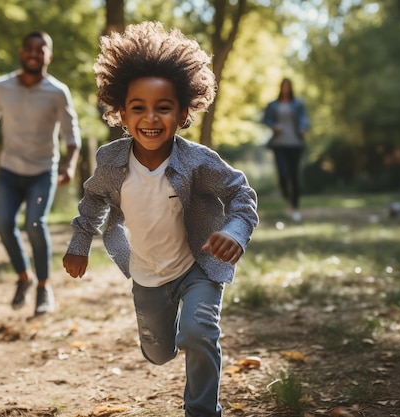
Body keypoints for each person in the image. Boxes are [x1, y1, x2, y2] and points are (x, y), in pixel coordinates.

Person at [62, 21, 258, 417]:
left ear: (183, 111)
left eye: (163, 107)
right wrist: (79, 243)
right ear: (120, 112)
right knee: (158, 353)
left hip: (197, 266)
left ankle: (202, 411)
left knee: (198, 332)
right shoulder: (111, 162)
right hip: (147, 273)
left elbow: (242, 194)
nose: (151, 118)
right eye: (138, 108)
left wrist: (234, 231)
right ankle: (161, 340)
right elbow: (94, 200)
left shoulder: (197, 161)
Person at [0, 31, 81, 315]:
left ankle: (44, 287)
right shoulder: (1, 87)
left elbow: (72, 134)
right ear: (22, 53)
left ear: (49, 56)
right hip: (9, 170)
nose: (34, 53)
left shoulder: (58, 92)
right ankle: (24, 277)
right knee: (4, 224)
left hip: (43, 171)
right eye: (30, 48)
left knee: (35, 224)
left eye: (41, 49)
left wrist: (69, 164)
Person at [262, 77, 310, 222]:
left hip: (295, 144)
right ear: (281, 87)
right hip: (279, 144)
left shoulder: (298, 104)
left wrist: (302, 128)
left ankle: (295, 207)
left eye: (288, 86)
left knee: (294, 175)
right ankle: (287, 199)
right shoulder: (273, 105)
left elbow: (304, 119)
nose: (285, 89)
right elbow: (266, 119)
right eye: (284, 86)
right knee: (283, 175)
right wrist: (273, 126)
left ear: (291, 88)